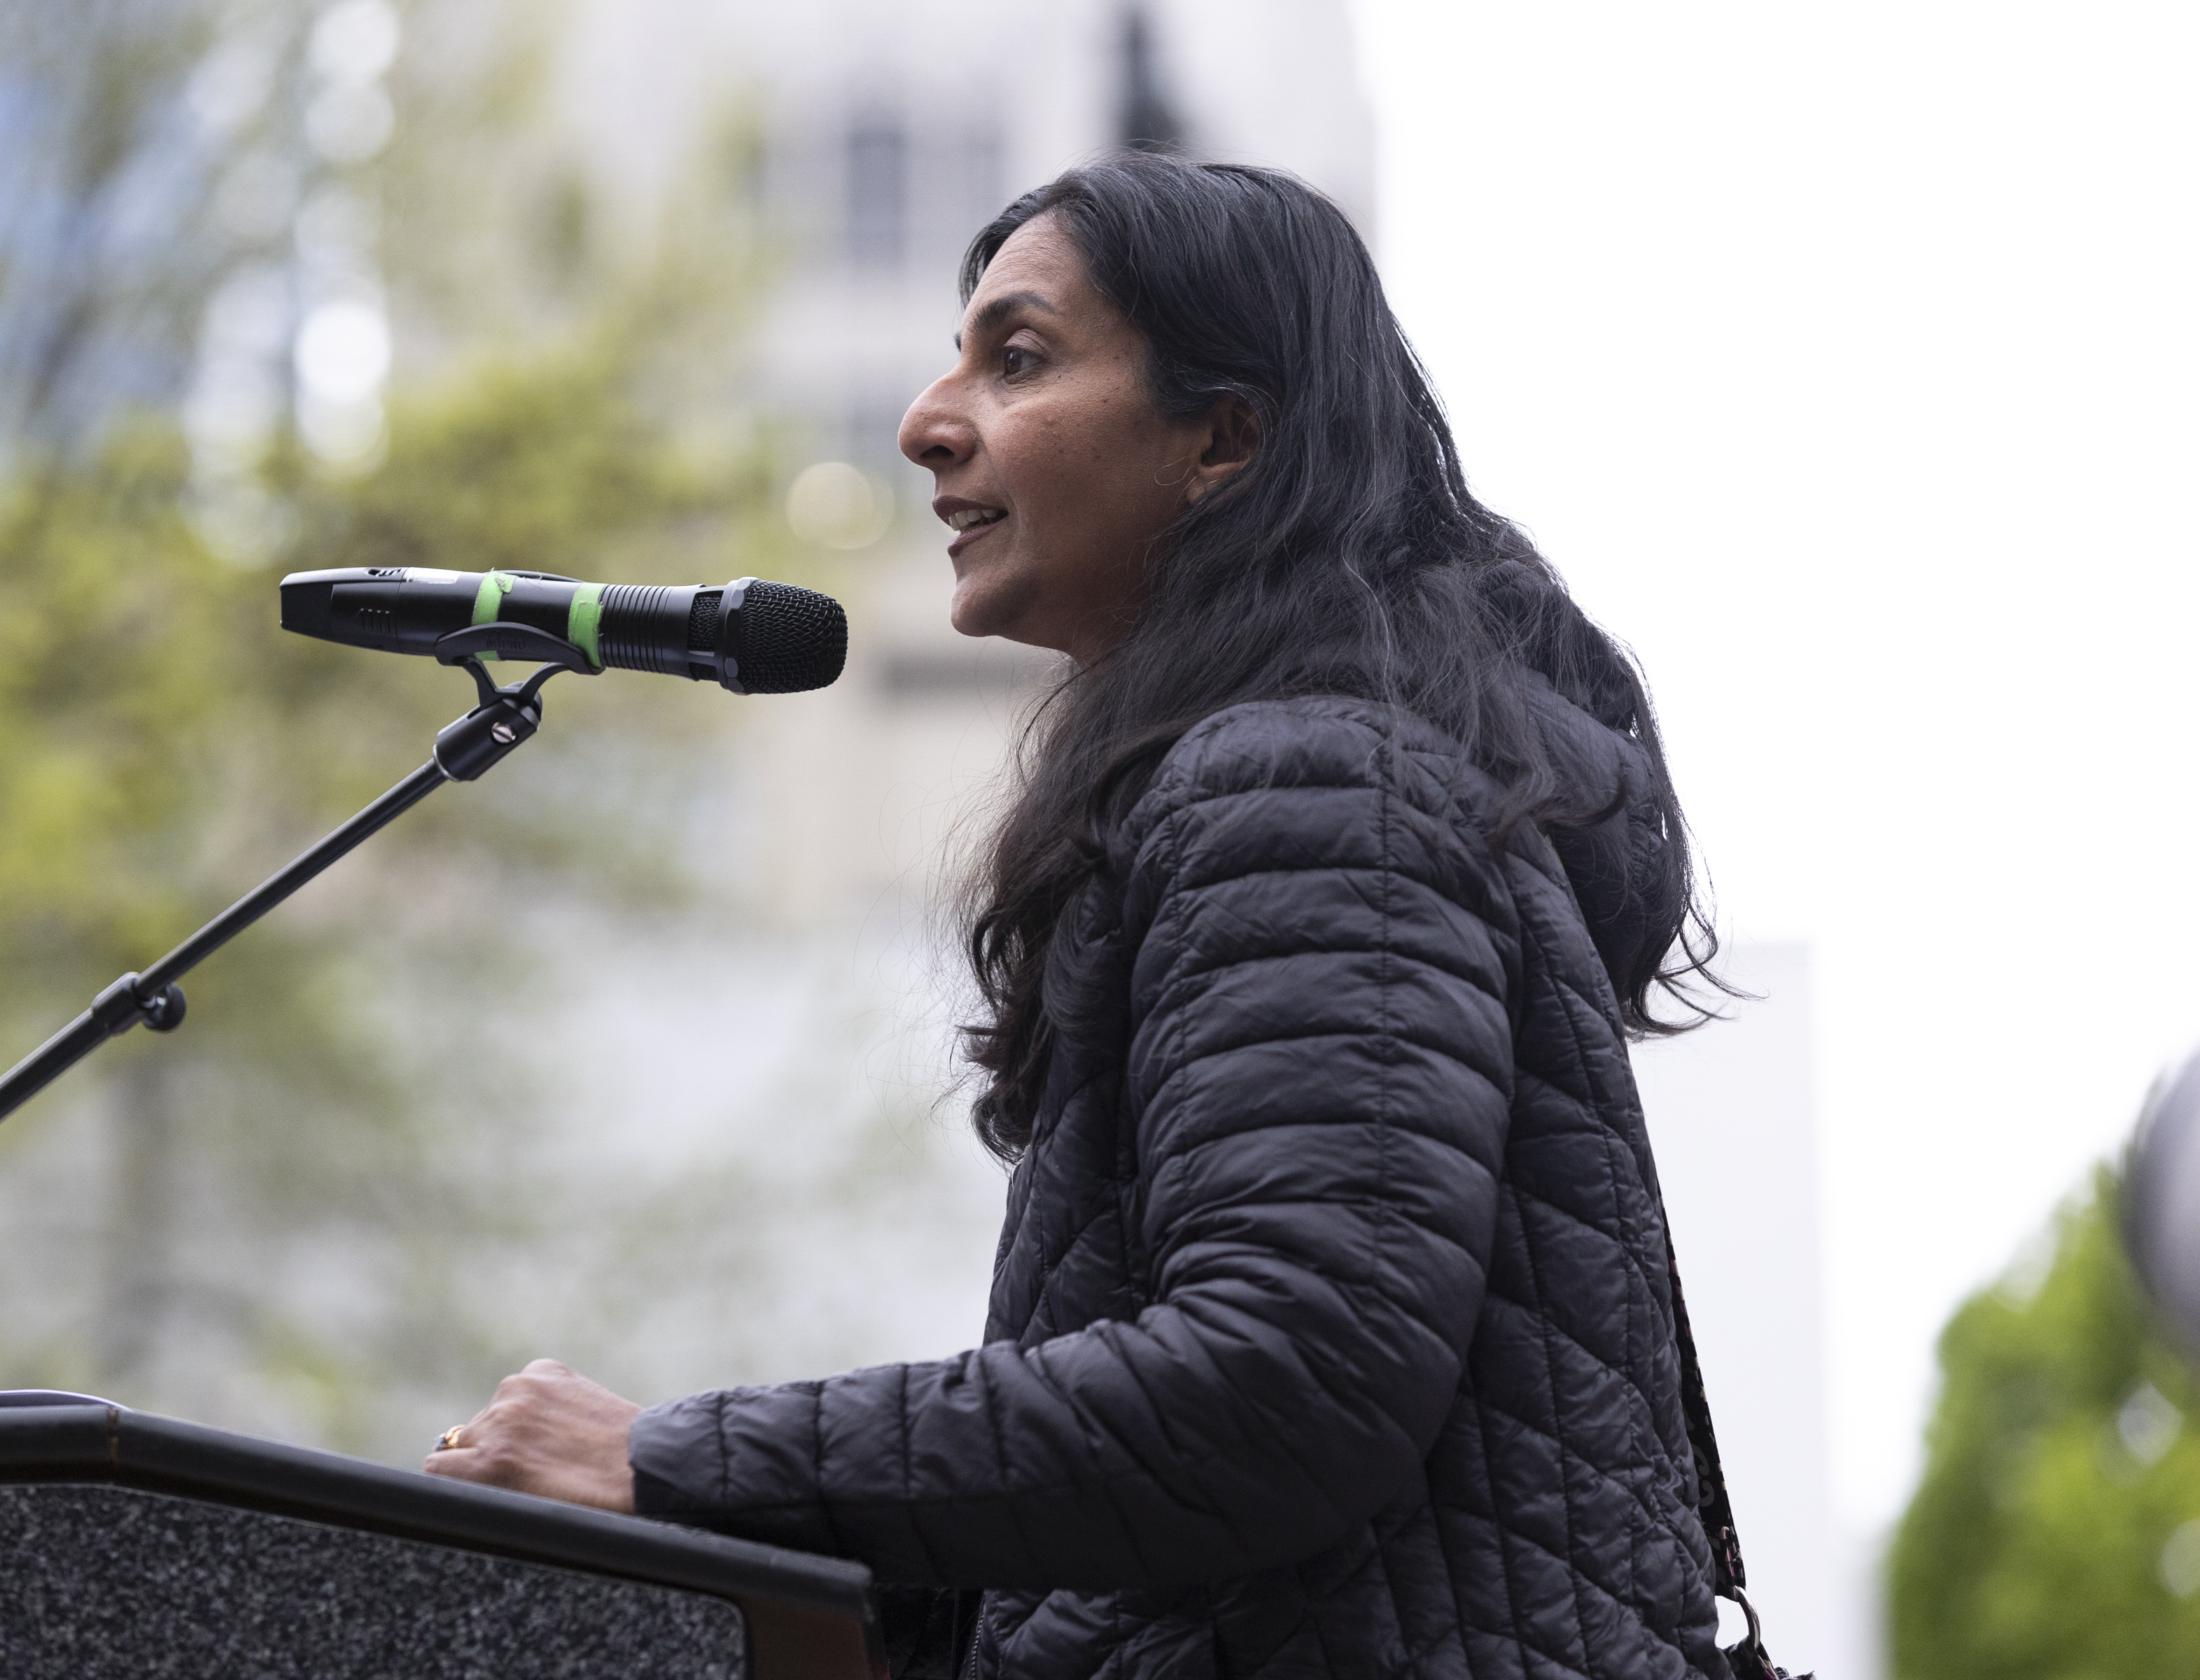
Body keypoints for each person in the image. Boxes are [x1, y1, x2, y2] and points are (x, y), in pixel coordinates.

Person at [424, 150, 1734, 1680]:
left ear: (1223, 441)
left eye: (1019, 357)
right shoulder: (1317, 773)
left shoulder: (1307, 778)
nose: (928, 422)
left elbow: (1289, 1382)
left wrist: (670, 1463)